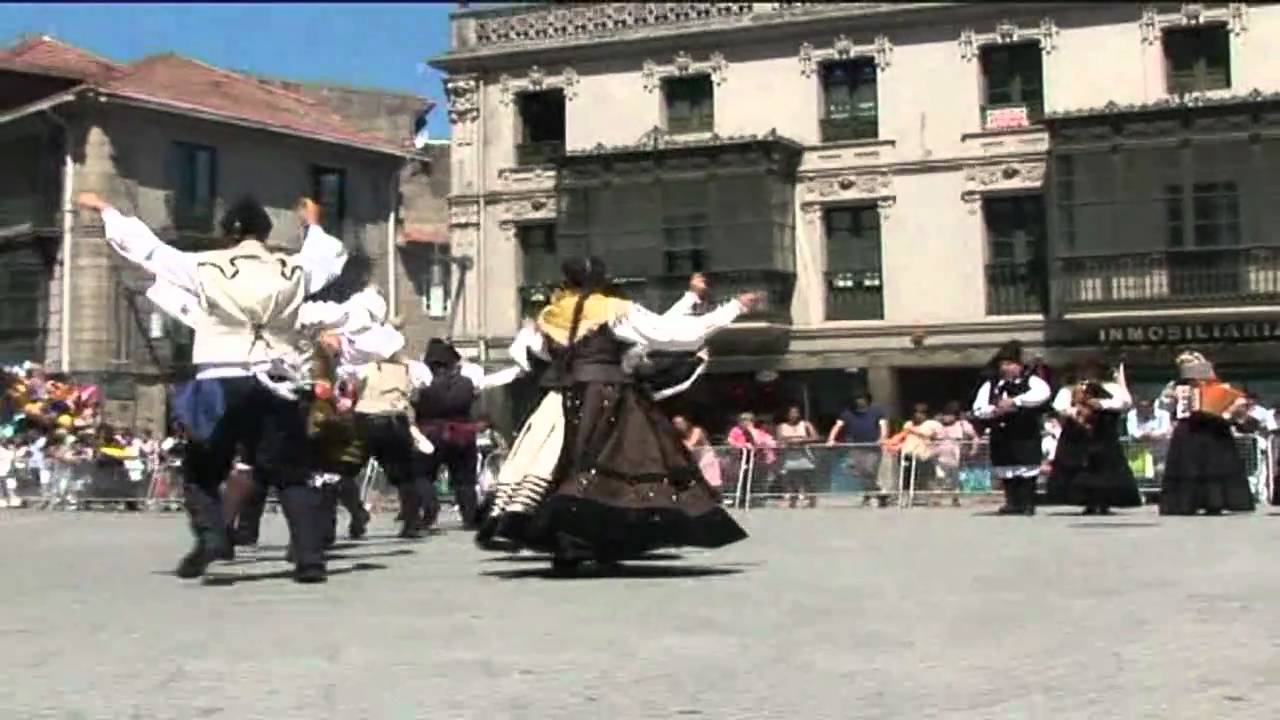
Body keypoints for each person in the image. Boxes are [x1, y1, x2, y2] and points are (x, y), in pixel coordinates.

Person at [77, 191, 346, 583]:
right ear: (265, 234)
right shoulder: (293, 269)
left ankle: (213, 536)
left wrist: (109, 212)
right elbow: (326, 259)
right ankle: (310, 560)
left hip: (220, 379)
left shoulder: (204, 264)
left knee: (202, 469)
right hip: (277, 382)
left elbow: (149, 250)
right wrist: (313, 226)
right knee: (290, 472)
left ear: (226, 235)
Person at [477, 256, 758, 571]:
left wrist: (690, 299)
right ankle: (591, 539)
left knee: (555, 464)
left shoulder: (551, 313)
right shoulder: (613, 309)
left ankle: (565, 539)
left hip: (562, 397)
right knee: (619, 464)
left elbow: (533, 354)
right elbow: (670, 333)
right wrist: (733, 308)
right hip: (608, 396)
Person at [1157, 351, 1254, 516]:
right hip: (1188, 429)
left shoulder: (1219, 385)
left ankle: (1215, 502)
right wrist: (1171, 398)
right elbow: (1164, 406)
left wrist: (1232, 409)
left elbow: (1237, 402)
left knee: (1214, 464)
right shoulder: (1176, 386)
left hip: (1214, 429)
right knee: (1187, 466)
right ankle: (1185, 503)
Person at [1046, 358, 1141, 515]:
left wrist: (1101, 404)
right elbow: (1059, 406)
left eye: (1091, 369)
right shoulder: (1069, 389)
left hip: (1103, 433)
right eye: (1083, 369)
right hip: (1077, 434)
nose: (1087, 372)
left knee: (1105, 468)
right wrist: (1073, 411)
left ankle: (1104, 502)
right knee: (1079, 468)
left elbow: (1125, 402)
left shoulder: (1111, 387)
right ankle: (1086, 501)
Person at [971, 341, 1052, 515]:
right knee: (1006, 467)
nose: (1005, 368)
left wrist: (1015, 401)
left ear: (1019, 365)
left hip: (1025, 433)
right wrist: (995, 410)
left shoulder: (1032, 381)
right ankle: (1012, 502)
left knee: (1027, 467)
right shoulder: (991, 384)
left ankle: (1027, 503)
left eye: (1010, 364)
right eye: (1003, 364)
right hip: (1002, 434)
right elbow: (978, 408)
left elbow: (1043, 394)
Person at [826, 392, 889, 506]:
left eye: (861, 398)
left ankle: (871, 494)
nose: (859, 401)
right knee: (858, 471)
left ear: (867, 399)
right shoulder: (847, 413)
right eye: (857, 398)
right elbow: (837, 426)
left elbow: (883, 425)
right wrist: (831, 439)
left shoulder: (876, 411)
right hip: (856, 447)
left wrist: (882, 438)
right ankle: (878, 493)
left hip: (872, 447)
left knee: (869, 470)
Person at [898, 403, 943, 504]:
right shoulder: (909, 423)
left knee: (926, 478)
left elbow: (928, 434)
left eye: (921, 413)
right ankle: (906, 498)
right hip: (909, 454)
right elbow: (904, 434)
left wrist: (912, 429)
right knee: (906, 477)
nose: (918, 415)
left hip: (924, 456)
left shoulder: (931, 424)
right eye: (916, 412)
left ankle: (930, 498)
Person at [776, 406, 819, 508]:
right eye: (791, 413)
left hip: (805, 456)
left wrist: (802, 440)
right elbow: (779, 440)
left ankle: (812, 500)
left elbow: (815, 437)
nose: (794, 415)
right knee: (791, 480)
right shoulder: (781, 426)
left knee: (808, 479)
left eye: (796, 412)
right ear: (787, 415)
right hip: (789, 457)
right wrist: (790, 441)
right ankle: (793, 501)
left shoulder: (806, 424)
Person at [934, 401, 977, 501]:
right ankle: (937, 499)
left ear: (955, 416)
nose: (946, 418)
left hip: (956, 459)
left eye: (949, 415)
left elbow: (975, 436)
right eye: (945, 415)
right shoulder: (937, 425)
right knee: (940, 478)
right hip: (939, 459)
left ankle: (955, 498)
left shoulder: (962, 425)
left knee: (956, 480)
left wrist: (974, 449)